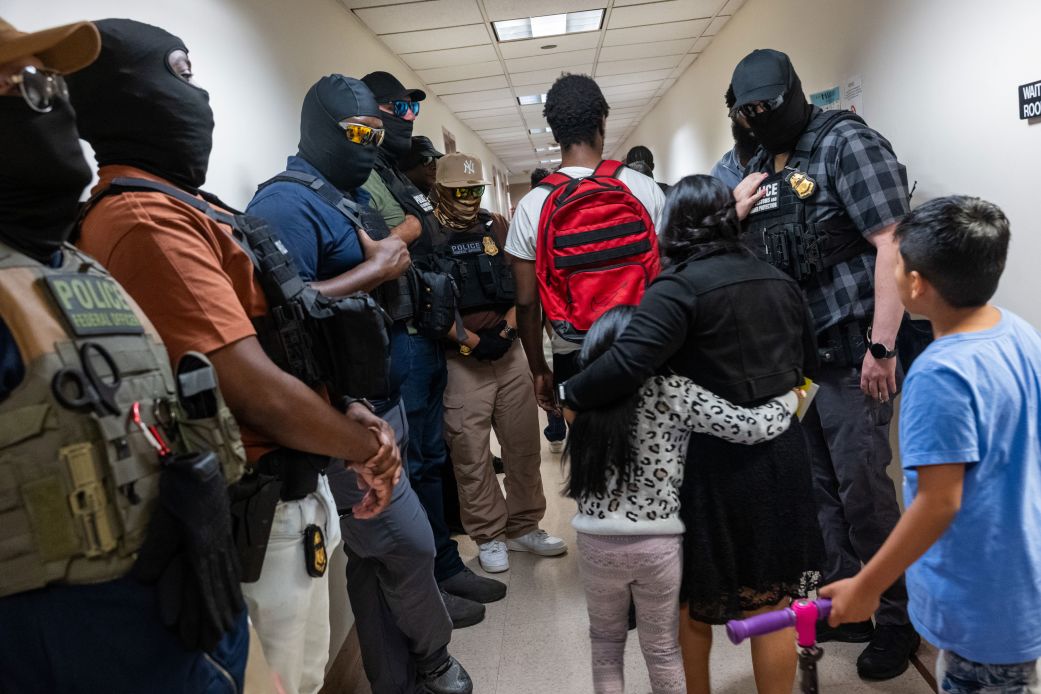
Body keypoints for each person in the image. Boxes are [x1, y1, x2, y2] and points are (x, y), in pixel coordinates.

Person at [69, 20, 403, 694]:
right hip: (251, 504)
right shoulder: (144, 219)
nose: (197, 96)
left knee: (305, 671)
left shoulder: (195, 207)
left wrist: (351, 411)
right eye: (179, 74)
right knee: (280, 677)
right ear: (128, 93)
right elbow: (251, 385)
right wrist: (363, 444)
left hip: (293, 488)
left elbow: (288, 336)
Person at [0, 18, 249, 692]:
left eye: (48, 85)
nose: (43, 104)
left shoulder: (77, 267)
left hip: (186, 629)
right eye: (17, 84)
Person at [245, 75, 482, 693]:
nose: (368, 145)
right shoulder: (284, 206)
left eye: (374, 134)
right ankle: (434, 660)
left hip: (378, 402)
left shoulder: (341, 196)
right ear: (320, 130)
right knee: (407, 545)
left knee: (376, 563)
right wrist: (374, 270)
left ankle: (397, 678)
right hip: (341, 419)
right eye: (355, 133)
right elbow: (275, 322)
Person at [560, 175, 824, 694]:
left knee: (690, 607)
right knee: (773, 606)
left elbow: (628, 364)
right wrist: (787, 415)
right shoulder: (779, 280)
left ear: (672, 226)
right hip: (781, 461)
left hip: (708, 472)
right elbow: (809, 373)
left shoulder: (676, 288)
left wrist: (570, 392)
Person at [732, 48, 918, 679]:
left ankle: (898, 619)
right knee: (817, 492)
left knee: (864, 492)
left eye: (767, 105)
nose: (758, 117)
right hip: (798, 366)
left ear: (794, 93)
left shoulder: (845, 146)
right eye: (747, 110)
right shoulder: (758, 162)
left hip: (852, 355)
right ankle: (853, 602)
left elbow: (893, 241)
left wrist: (883, 347)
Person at [822, 196, 1041, 693]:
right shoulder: (1018, 333)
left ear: (914, 284)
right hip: (1020, 577)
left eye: (895, 263)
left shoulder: (940, 373)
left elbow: (940, 501)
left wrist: (866, 586)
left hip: (978, 602)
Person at [565, 305, 802, 694]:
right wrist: (791, 399)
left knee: (605, 644)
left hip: (594, 545)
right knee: (662, 651)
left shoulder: (579, 402)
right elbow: (751, 427)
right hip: (656, 544)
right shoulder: (672, 393)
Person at [359, 70, 484, 628]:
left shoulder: (391, 171)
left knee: (432, 461)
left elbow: (427, 234)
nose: (407, 120)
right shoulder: (362, 175)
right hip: (399, 339)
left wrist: (416, 224)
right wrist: (415, 225)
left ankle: (445, 566)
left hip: (428, 333)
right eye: (398, 110)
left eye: (413, 111)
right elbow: (392, 242)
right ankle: (426, 587)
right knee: (410, 465)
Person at [506, 73, 667, 431]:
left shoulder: (533, 205)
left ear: (553, 130)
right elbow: (668, 275)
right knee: (656, 451)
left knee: (592, 461)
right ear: (602, 122)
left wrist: (538, 370)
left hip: (573, 351)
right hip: (643, 342)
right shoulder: (643, 188)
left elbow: (528, 304)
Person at [432, 152, 563, 574]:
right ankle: (489, 534)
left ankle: (524, 528)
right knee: (470, 454)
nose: (469, 199)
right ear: (440, 191)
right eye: (459, 192)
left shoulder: (497, 226)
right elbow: (428, 300)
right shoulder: (427, 234)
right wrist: (469, 339)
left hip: (508, 354)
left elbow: (524, 285)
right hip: (459, 359)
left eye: (475, 191)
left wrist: (505, 333)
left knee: (523, 445)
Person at [527, 167, 567, 454]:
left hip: (543, 306)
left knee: (551, 368)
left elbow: (527, 297)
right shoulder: (565, 207)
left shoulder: (527, 215)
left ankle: (556, 428)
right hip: (569, 309)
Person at [709, 85, 759, 190]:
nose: (751, 119)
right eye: (746, 110)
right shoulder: (719, 173)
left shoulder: (780, 160)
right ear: (733, 115)